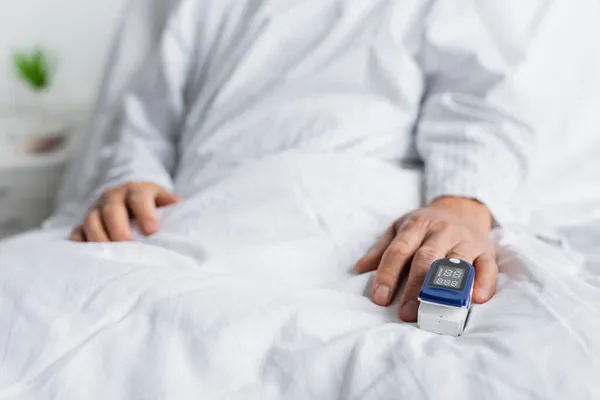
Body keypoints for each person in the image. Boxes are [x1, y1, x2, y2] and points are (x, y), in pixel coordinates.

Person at [69, 0, 533, 323]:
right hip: (190, 214)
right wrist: (131, 177)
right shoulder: (186, 7)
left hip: (361, 219)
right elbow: (141, 115)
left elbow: (481, 108)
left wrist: (460, 209)